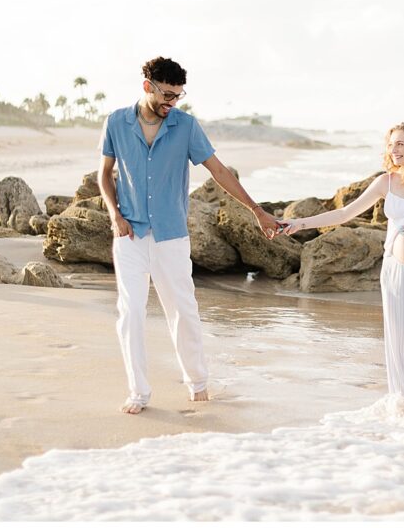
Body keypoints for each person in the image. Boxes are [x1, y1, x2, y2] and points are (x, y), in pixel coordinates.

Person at [98, 56, 281, 415]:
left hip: (171, 235)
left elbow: (218, 171)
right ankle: (138, 392)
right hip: (130, 235)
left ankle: (197, 383)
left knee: (183, 311)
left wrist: (257, 210)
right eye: (166, 95)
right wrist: (114, 215)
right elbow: (104, 174)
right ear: (148, 86)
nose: (172, 102)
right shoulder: (116, 122)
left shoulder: (185, 126)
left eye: (178, 96)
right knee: (130, 313)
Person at [280, 123, 404, 418]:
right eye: (391, 145)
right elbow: (345, 213)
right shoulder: (385, 183)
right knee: (400, 348)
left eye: (401, 144)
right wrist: (299, 223)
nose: (394, 150)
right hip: (398, 274)